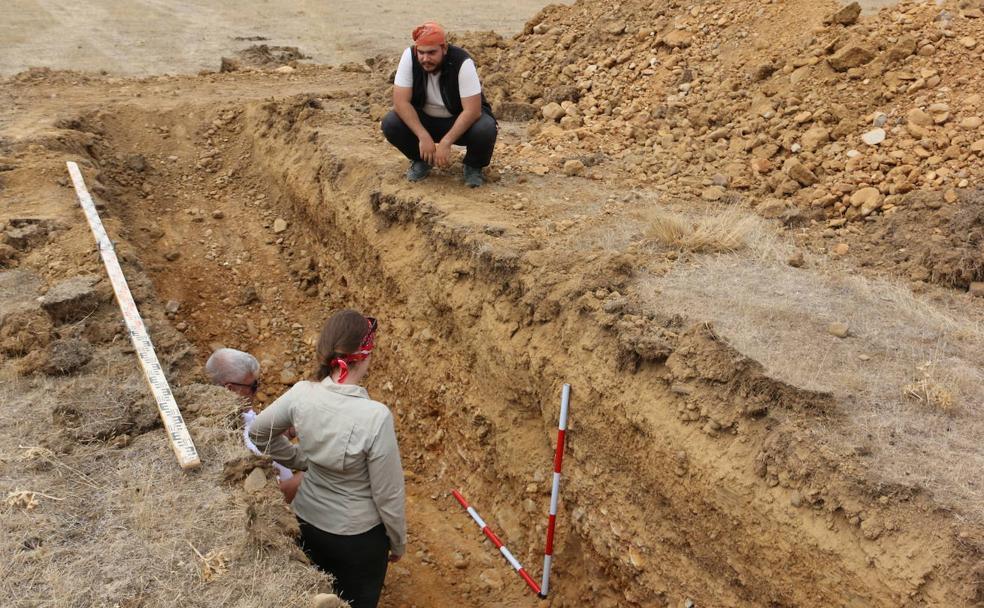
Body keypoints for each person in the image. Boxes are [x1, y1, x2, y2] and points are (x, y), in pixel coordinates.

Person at [249, 310, 406, 608]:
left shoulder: (301, 394)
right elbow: (388, 494)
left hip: (305, 522)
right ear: (365, 354)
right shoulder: (376, 416)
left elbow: (259, 433)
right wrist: (397, 541)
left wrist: (301, 459)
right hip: (357, 539)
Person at [381, 21, 497, 188]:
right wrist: (422, 135)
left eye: (431, 53)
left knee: (485, 127)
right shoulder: (409, 57)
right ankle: (422, 160)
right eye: (421, 53)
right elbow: (401, 102)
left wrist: (446, 142)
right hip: (425, 121)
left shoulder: (462, 62)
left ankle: (473, 166)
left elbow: (472, 110)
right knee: (391, 122)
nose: (425, 58)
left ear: (444, 48)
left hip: (457, 121)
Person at [205, 348, 302, 501]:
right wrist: (315, 474)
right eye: (252, 386)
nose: (256, 392)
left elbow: (260, 444)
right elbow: (277, 495)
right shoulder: (234, 443)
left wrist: (288, 432)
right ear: (230, 389)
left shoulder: (240, 414)